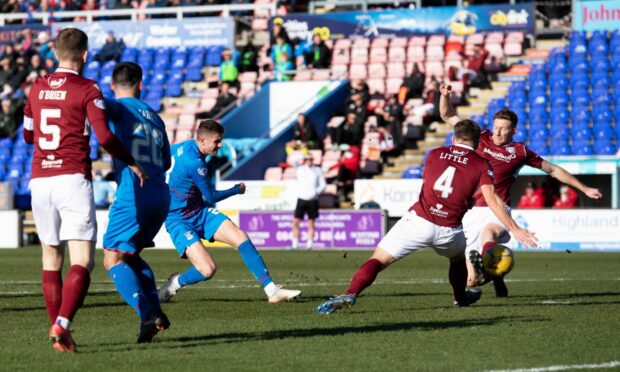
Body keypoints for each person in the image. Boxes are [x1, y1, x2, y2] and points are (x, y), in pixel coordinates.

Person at [316, 120, 537, 314]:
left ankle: (350, 293)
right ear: (478, 143)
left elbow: (435, 182)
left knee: (379, 260)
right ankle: (460, 298)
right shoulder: (481, 164)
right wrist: (514, 228)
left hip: (419, 221)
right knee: (458, 260)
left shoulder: (434, 154)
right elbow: (491, 198)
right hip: (450, 229)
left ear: (453, 137)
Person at [23, 28, 146, 353]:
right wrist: (131, 161)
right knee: (83, 261)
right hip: (72, 178)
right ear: (85, 55)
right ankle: (62, 324)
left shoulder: (36, 86)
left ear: (55, 52)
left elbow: (27, 134)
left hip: (39, 178)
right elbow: (105, 137)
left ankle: (61, 337)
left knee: (51, 259)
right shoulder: (87, 88)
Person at [439, 83, 603, 297]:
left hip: (497, 208)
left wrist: (584, 188)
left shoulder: (520, 151)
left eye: (503, 128)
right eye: (495, 126)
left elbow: (552, 170)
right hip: (471, 210)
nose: (497, 132)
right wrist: (444, 97)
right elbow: (447, 115)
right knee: (471, 281)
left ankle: (490, 267)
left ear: (513, 130)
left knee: (488, 233)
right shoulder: (479, 136)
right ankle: (495, 275)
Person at [158, 120, 301, 304]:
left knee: (241, 237)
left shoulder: (182, 146)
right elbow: (211, 196)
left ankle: (272, 291)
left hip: (199, 212)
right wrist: (236, 190)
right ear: (202, 140)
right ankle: (175, 283)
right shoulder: (195, 163)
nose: (220, 145)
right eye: (217, 141)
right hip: (178, 219)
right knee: (207, 269)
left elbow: (162, 161)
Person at [101, 62, 172, 343]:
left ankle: (148, 316)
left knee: (112, 258)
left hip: (134, 194)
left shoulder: (118, 107)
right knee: (130, 255)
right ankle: (155, 310)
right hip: (160, 195)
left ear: (112, 85)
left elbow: (94, 104)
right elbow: (166, 161)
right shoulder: (156, 117)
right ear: (141, 85)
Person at [291, 154, 326, 250]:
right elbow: (292, 160)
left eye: (310, 159)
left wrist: (316, 192)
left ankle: (309, 244)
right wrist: (302, 155)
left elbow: (323, 184)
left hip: (313, 200)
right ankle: (295, 244)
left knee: (311, 222)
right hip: (301, 198)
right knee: (296, 222)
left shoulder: (317, 170)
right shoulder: (300, 169)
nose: (309, 160)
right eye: (307, 159)